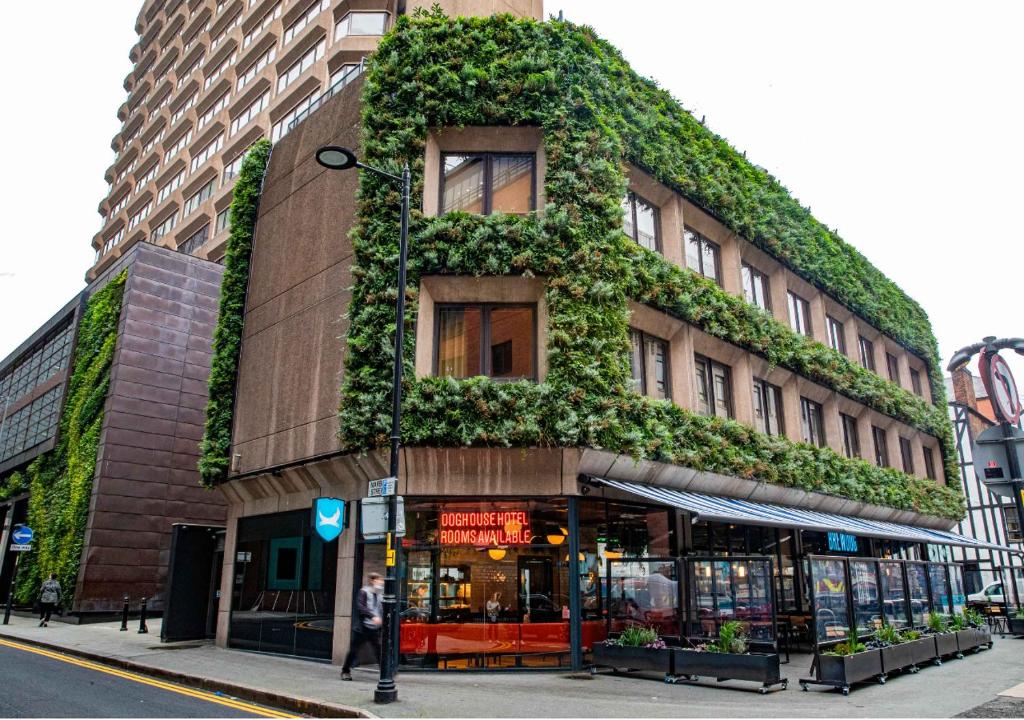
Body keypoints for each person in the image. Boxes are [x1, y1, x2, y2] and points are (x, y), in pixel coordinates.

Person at [341, 572, 383, 681]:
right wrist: (373, 616)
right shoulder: (363, 592)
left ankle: (385, 673)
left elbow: (381, 609)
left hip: (374, 628)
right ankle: (345, 671)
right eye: (379, 580)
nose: (381, 582)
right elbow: (361, 607)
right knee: (354, 650)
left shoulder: (380, 594)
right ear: (372, 581)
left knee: (378, 650)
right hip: (362, 627)